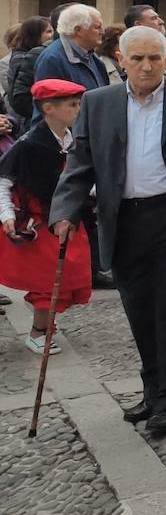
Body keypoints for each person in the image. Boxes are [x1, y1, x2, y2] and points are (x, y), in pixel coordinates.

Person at [50, 26, 166, 438]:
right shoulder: (98, 102)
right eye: (137, 58)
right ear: (120, 58)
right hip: (125, 222)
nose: (147, 66)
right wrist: (64, 211)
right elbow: (80, 162)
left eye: (155, 57)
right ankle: (152, 391)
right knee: (141, 315)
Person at [0, 80, 93, 354]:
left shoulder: (72, 138)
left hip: (69, 220)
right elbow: (3, 181)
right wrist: (6, 214)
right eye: (72, 105)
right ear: (49, 108)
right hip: (40, 224)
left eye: (78, 104)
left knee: (70, 277)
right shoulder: (28, 145)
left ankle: (45, 326)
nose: (78, 110)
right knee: (49, 282)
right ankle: (38, 332)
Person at [32, 5, 109, 126]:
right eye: (97, 27)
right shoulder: (53, 59)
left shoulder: (92, 57)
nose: (103, 32)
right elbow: (49, 111)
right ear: (78, 30)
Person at [5, 16, 55, 124]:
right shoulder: (22, 58)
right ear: (35, 35)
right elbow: (20, 95)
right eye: (48, 32)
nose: (52, 36)